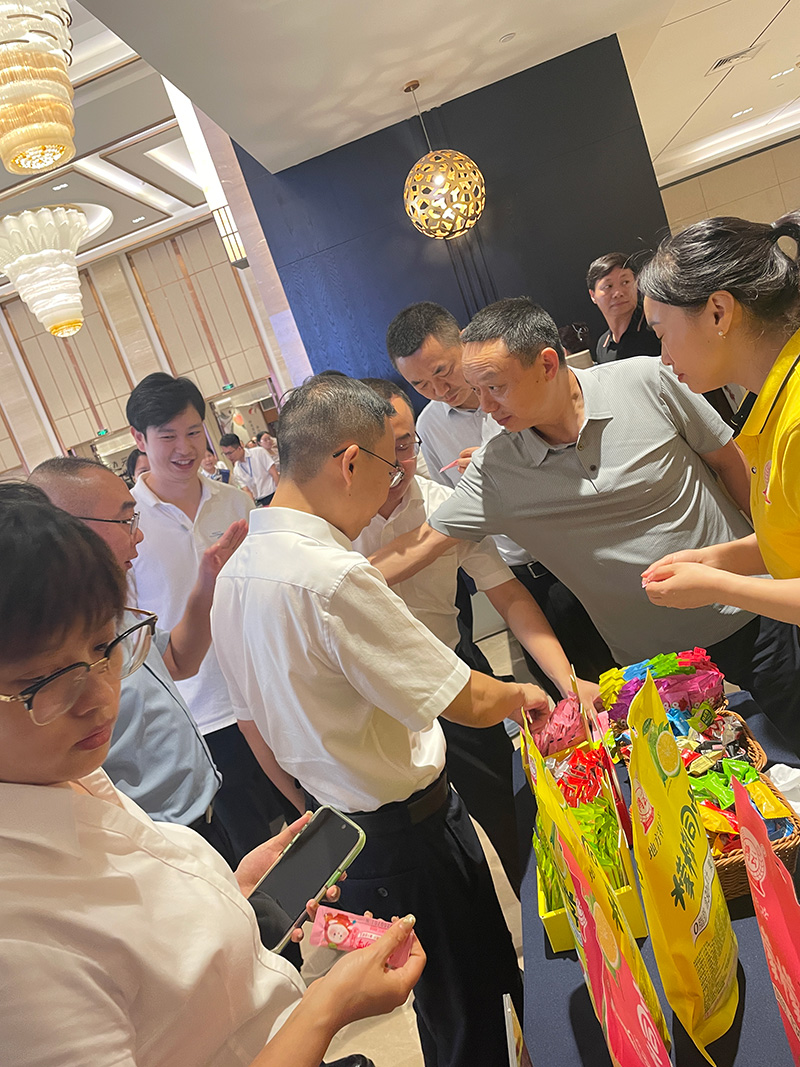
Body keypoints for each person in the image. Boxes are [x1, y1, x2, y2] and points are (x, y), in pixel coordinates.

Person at [0, 484, 424, 1067]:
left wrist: (233, 894)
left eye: (105, 646)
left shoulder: (71, 775)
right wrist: (327, 1008)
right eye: (45, 682)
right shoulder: (17, 938)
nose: (100, 697)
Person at [212, 373, 550, 1067]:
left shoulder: (236, 573)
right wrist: (524, 695)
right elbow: (460, 697)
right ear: (349, 461)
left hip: (347, 830)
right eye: (387, 465)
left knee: (457, 998)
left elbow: (252, 721)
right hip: (405, 835)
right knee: (468, 1013)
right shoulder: (332, 575)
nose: (392, 483)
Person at [370, 297, 800, 750]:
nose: (486, 407)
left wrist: (776, 559)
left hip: (751, 614)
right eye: (477, 391)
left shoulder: (647, 381)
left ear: (547, 364)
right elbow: (423, 542)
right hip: (651, 661)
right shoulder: (497, 467)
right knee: (709, 771)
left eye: (496, 387)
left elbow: (730, 464)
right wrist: (333, 581)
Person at [354, 377, 599, 895]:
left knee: (518, 823)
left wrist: (567, 679)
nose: (398, 465)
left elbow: (509, 596)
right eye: (384, 451)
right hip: (375, 705)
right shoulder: (332, 524)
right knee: (426, 858)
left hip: (452, 673)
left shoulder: (443, 503)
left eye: (406, 445)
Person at [28, 456, 247, 866]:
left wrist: (207, 583)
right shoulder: (44, 652)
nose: (139, 534)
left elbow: (178, 660)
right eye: (125, 520)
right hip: (154, 845)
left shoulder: (111, 611)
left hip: (204, 818)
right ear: (67, 530)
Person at [386, 300, 614, 688]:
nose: (439, 391)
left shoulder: (526, 394)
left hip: (576, 554)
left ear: (464, 342)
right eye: (421, 385)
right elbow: (450, 507)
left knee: (620, 672)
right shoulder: (428, 426)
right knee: (565, 687)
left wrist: (505, 466)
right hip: (517, 573)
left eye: (443, 372)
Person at [128, 372, 302, 860]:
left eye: (192, 432)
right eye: (168, 436)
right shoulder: (128, 525)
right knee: (255, 850)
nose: (185, 448)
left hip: (265, 691)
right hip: (199, 715)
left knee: (311, 820)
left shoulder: (235, 502)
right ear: (140, 439)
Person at [639, 211, 800, 629]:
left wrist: (718, 586)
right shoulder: (773, 402)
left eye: (661, 334)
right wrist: (715, 559)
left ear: (718, 313)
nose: (665, 358)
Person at [587, 252, 662, 363]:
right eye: (608, 286)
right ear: (593, 295)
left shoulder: (656, 328)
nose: (618, 293)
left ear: (637, 284)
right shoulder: (603, 345)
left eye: (625, 282)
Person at [221, 432, 279, 505]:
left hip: (274, 494)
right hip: (260, 502)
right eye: (225, 454)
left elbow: (274, 474)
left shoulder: (259, 452)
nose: (228, 457)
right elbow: (247, 491)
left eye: (230, 453)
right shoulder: (237, 470)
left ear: (239, 448)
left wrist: (280, 493)